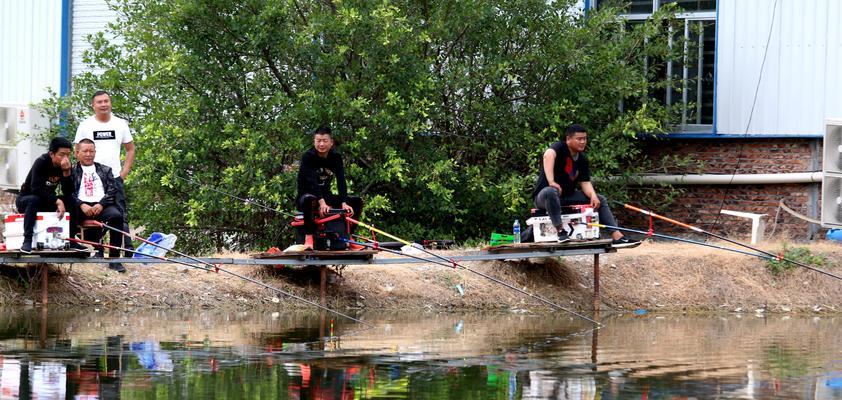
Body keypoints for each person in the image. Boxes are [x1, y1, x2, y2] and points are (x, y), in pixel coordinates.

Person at [533, 124, 639, 248]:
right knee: (551, 191)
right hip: (544, 198)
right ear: (568, 139)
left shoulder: (582, 159)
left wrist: (593, 196)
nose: (583, 142)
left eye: (585, 138)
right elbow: (548, 155)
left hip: (566, 196)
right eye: (579, 139)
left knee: (600, 199)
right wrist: (551, 181)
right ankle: (561, 232)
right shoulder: (560, 147)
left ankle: (618, 237)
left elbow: (585, 182)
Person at [74, 90, 136, 253]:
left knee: (119, 214)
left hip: (114, 177)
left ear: (110, 103)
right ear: (93, 105)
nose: (103, 104)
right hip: (91, 179)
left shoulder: (120, 124)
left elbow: (130, 149)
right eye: (99, 102)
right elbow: (77, 150)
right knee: (95, 215)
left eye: (106, 101)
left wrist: (124, 173)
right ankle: (97, 248)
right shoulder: (85, 125)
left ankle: (127, 249)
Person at [296, 126, 363, 250]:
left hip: (326, 197)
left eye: (325, 141)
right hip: (306, 196)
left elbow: (341, 181)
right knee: (308, 200)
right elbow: (312, 182)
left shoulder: (335, 157)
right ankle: (309, 236)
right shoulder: (308, 157)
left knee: (356, 202)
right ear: (314, 141)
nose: (321, 144)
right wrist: (322, 203)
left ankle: (350, 237)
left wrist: (344, 202)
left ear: (331, 142)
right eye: (318, 140)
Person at [15, 137, 86, 253]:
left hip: (46, 200)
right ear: (51, 154)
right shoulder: (41, 162)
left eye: (68, 155)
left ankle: (72, 239)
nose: (65, 158)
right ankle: (27, 240)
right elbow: (36, 189)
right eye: (62, 155)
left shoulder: (66, 166)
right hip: (26, 200)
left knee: (72, 200)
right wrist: (57, 201)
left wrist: (67, 173)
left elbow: (69, 192)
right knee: (34, 199)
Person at [71, 139, 126, 273]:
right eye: (85, 151)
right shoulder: (71, 171)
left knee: (117, 217)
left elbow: (112, 191)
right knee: (67, 215)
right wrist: (81, 204)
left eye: (91, 151)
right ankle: (73, 249)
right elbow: (67, 192)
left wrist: (101, 204)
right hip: (80, 206)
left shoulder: (105, 170)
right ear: (77, 153)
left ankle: (114, 259)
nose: (88, 154)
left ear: (95, 153)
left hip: (102, 205)